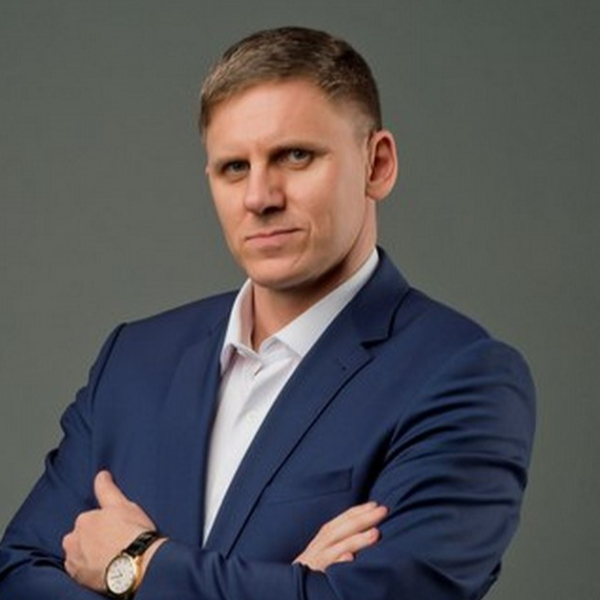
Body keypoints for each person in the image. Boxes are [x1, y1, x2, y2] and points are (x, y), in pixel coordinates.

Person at [0, 26, 535, 600]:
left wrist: (137, 565)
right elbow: (16, 574)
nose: (259, 197)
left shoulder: (463, 377)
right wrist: (292, 585)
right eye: (234, 167)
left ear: (377, 165)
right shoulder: (133, 360)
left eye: (295, 156)